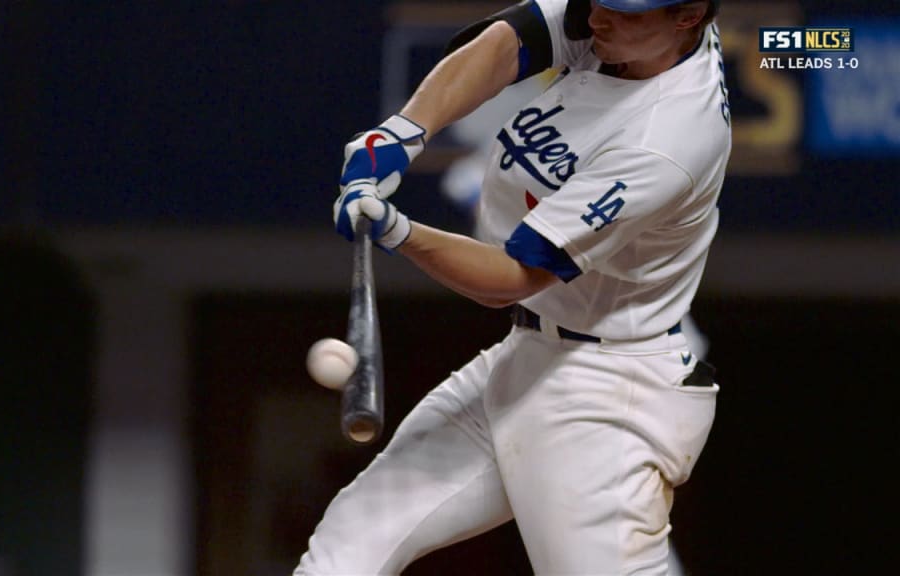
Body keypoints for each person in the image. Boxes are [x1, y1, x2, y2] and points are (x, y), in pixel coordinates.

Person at [297, 0, 729, 574]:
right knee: (352, 540)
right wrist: (403, 132)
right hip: (533, 355)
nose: (598, 18)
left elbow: (512, 277)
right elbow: (508, 41)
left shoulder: (667, 138)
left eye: (624, 12)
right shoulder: (628, 38)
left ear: (688, 15)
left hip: (606, 394)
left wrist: (398, 230)